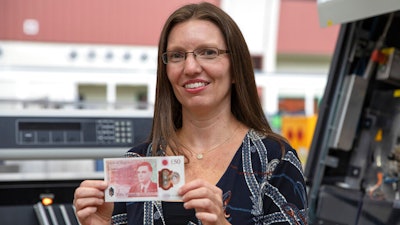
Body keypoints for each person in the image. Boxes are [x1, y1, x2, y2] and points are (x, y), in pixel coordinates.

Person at [73, 2, 308, 225]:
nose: (191, 67)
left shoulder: (274, 160)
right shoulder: (137, 163)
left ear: (236, 68)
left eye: (208, 52)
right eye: (177, 55)